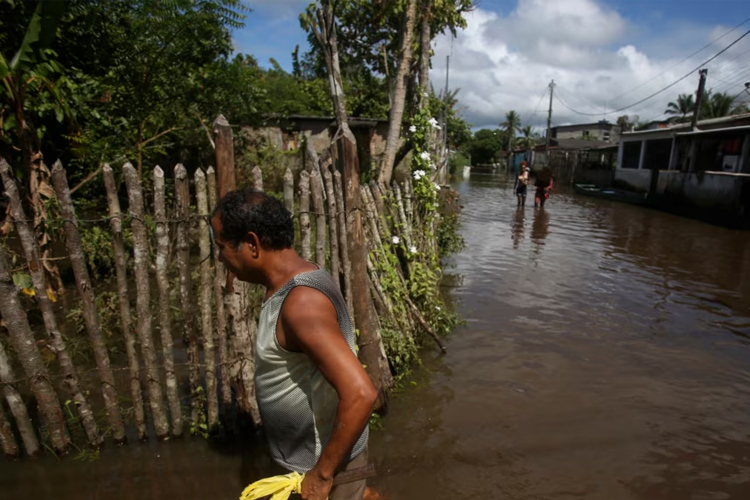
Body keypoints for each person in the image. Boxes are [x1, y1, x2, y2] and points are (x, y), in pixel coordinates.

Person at [211, 188, 377, 500]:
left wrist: (322, 475)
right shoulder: (294, 279)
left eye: (221, 247)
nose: (220, 257)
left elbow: (361, 394)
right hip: (315, 457)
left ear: (251, 244)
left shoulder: (301, 304)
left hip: (324, 465)